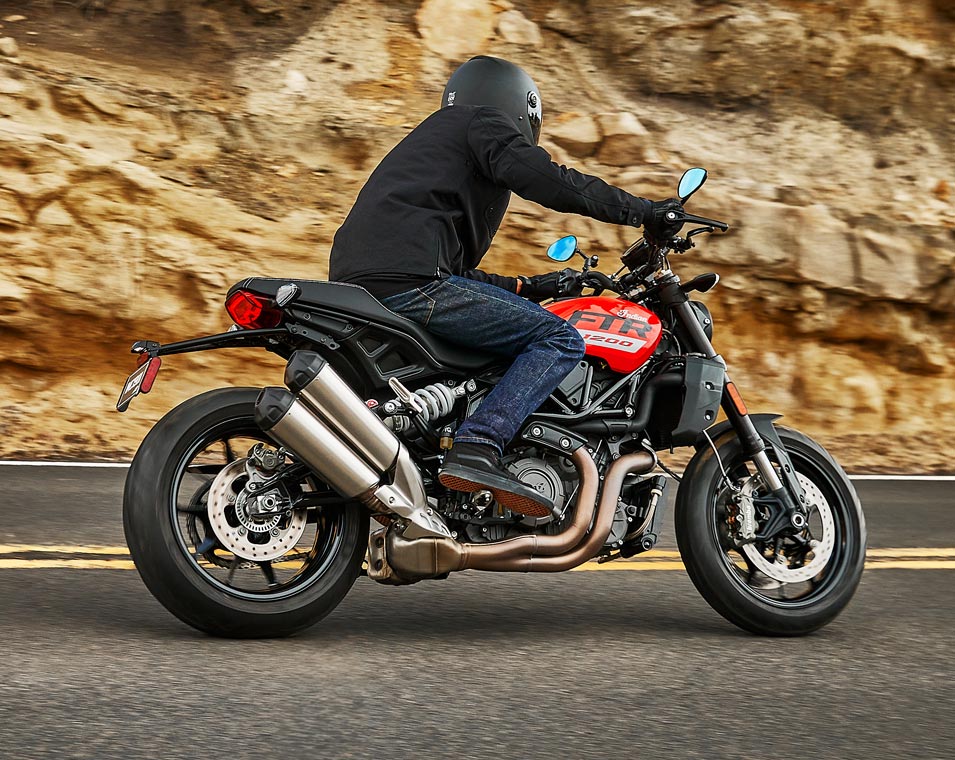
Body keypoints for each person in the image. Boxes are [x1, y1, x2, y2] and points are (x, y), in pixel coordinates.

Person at [329, 56, 683, 518]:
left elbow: (456, 274)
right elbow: (549, 181)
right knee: (558, 339)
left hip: (372, 283)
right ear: (520, 107)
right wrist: (643, 211)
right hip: (412, 284)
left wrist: (532, 285)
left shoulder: (434, 147)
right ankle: (479, 444)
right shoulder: (482, 123)